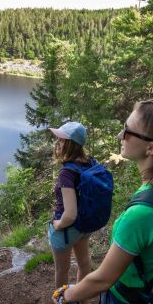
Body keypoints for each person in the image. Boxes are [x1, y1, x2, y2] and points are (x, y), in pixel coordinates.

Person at [52, 102, 153, 304]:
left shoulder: (141, 215)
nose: (120, 135)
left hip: (128, 302)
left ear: (152, 148)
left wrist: (66, 295)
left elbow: (103, 278)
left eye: (128, 131)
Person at [48, 121, 92, 288]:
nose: (57, 143)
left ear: (70, 145)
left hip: (67, 228)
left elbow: (70, 213)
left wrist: (58, 224)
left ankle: (62, 302)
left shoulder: (66, 173)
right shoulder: (88, 163)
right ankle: (80, 296)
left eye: (61, 140)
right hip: (84, 225)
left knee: (62, 270)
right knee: (84, 262)